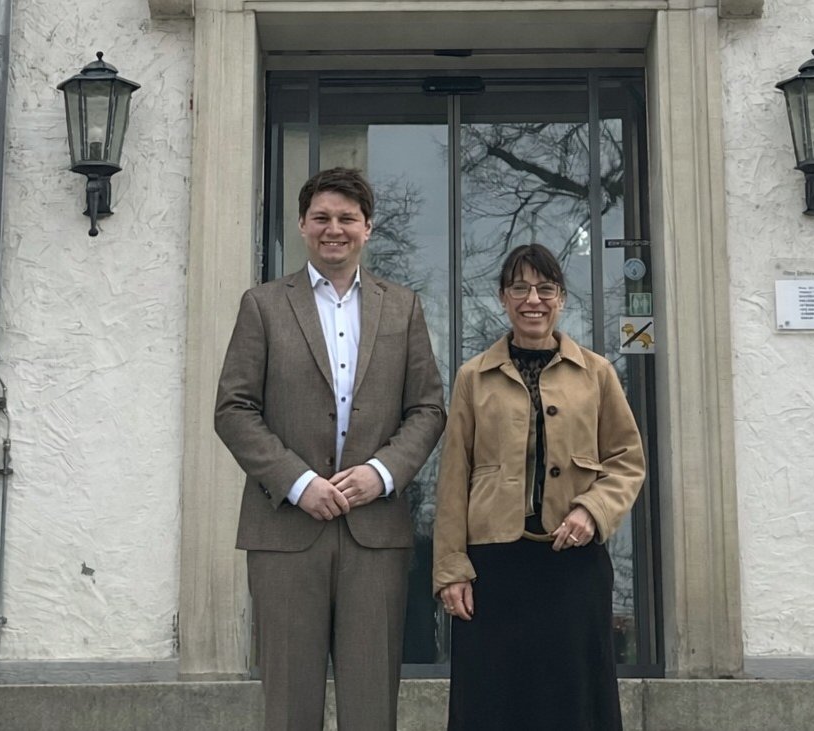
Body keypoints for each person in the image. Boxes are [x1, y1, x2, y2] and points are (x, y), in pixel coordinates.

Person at [214, 167, 446, 731]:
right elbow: (233, 409)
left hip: (376, 533)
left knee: (372, 708)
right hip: (286, 533)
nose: (333, 229)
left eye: (347, 218)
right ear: (302, 225)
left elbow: (428, 408)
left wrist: (382, 473)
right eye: (321, 217)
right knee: (290, 707)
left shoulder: (404, 307)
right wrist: (298, 483)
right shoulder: (263, 306)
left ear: (368, 228)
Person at [433, 243, 646, 730]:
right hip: (493, 569)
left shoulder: (597, 373)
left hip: (571, 565)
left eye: (545, 288)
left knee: (572, 701)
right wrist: (450, 570)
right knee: (492, 702)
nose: (534, 299)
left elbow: (627, 459)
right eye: (520, 289)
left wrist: (592, 510)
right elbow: (452, 478)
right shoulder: (473, 377)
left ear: (561, 298)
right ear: (503, 299)